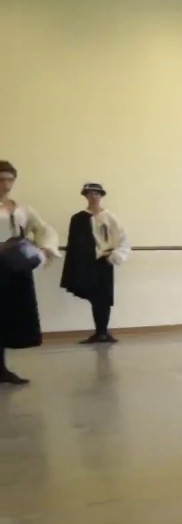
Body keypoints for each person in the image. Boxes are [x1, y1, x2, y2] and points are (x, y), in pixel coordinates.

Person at [0, 160, 59, 385]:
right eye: (1, 179)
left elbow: (45, 230)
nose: (5, 184)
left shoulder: (24, 210)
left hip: (16, 268)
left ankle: (1, 369)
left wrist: (44, 250)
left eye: (9, 179)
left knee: (9, 316)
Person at [60, 183, 131, 344]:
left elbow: (122, 238)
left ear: (101, 196)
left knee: (104, 297)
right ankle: (99, 332)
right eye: (90, 194)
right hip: (86, 263)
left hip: (104, 262)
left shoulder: (110, 217)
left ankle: (103, 331)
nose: (93, 197)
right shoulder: (79, 218)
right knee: (93, 296)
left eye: (96, 194)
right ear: (85, 196)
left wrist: (115, 256)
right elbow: (75, 243)